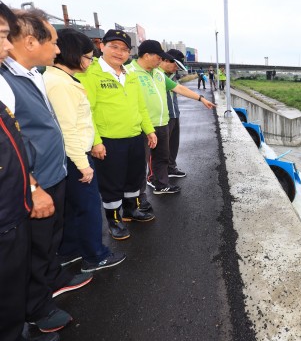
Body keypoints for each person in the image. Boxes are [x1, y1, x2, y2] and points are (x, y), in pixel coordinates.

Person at [1, 8, 92, 335]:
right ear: (29, 42)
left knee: (49, 240)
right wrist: (34, 187)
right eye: (52, 42)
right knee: (34, 249)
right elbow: (12, 143)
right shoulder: (6, 82)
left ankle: (51, 280)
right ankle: (38, 308)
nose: (57, 49)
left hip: (53, 173)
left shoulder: (34, 74)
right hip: (34, 182)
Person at [43, 28, 126, 272]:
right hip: (75, 156)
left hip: (71, 156)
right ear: (74, 54)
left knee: (73, 208)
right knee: (89, 208)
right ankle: (95, 255)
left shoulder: (59, 79)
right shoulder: (61, 84)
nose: (91, 62)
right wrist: (83, 164)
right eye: (89, 57)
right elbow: (68, 129)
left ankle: (70, 250)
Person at [76, 30, 157, 241]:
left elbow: (140, 107)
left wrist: (149, 130)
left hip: (134, 136)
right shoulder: (90, 73)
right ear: (102, 46)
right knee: (112, 182)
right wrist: (96, 141)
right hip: (108, 140)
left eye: (124, 49)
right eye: (114, 46)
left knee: (134, 177)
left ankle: (131, 210)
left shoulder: (129, 74)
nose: (119, 53)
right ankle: (113, 219)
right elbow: (87, 111)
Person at [128, 41, 216, 195]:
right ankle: (138, 199)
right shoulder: (128, 72)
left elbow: (179, 88)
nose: (160, 60)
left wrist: (201, 98)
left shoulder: (158, 74)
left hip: (162, 122)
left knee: (162, 157)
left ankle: (162, 184)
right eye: (159, 57)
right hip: (141, 126)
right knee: (139, 163)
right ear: (147, 55)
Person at [165, 49, 186, 178]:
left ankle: (171, 168)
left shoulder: (173, 75)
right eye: (175, 65)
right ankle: (156, 177)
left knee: (173, 144)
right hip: (163, 117)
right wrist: (200, 98)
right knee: (161, 148)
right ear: (167, 60)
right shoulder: (158, 75)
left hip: (174, 114)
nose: (176, 68)